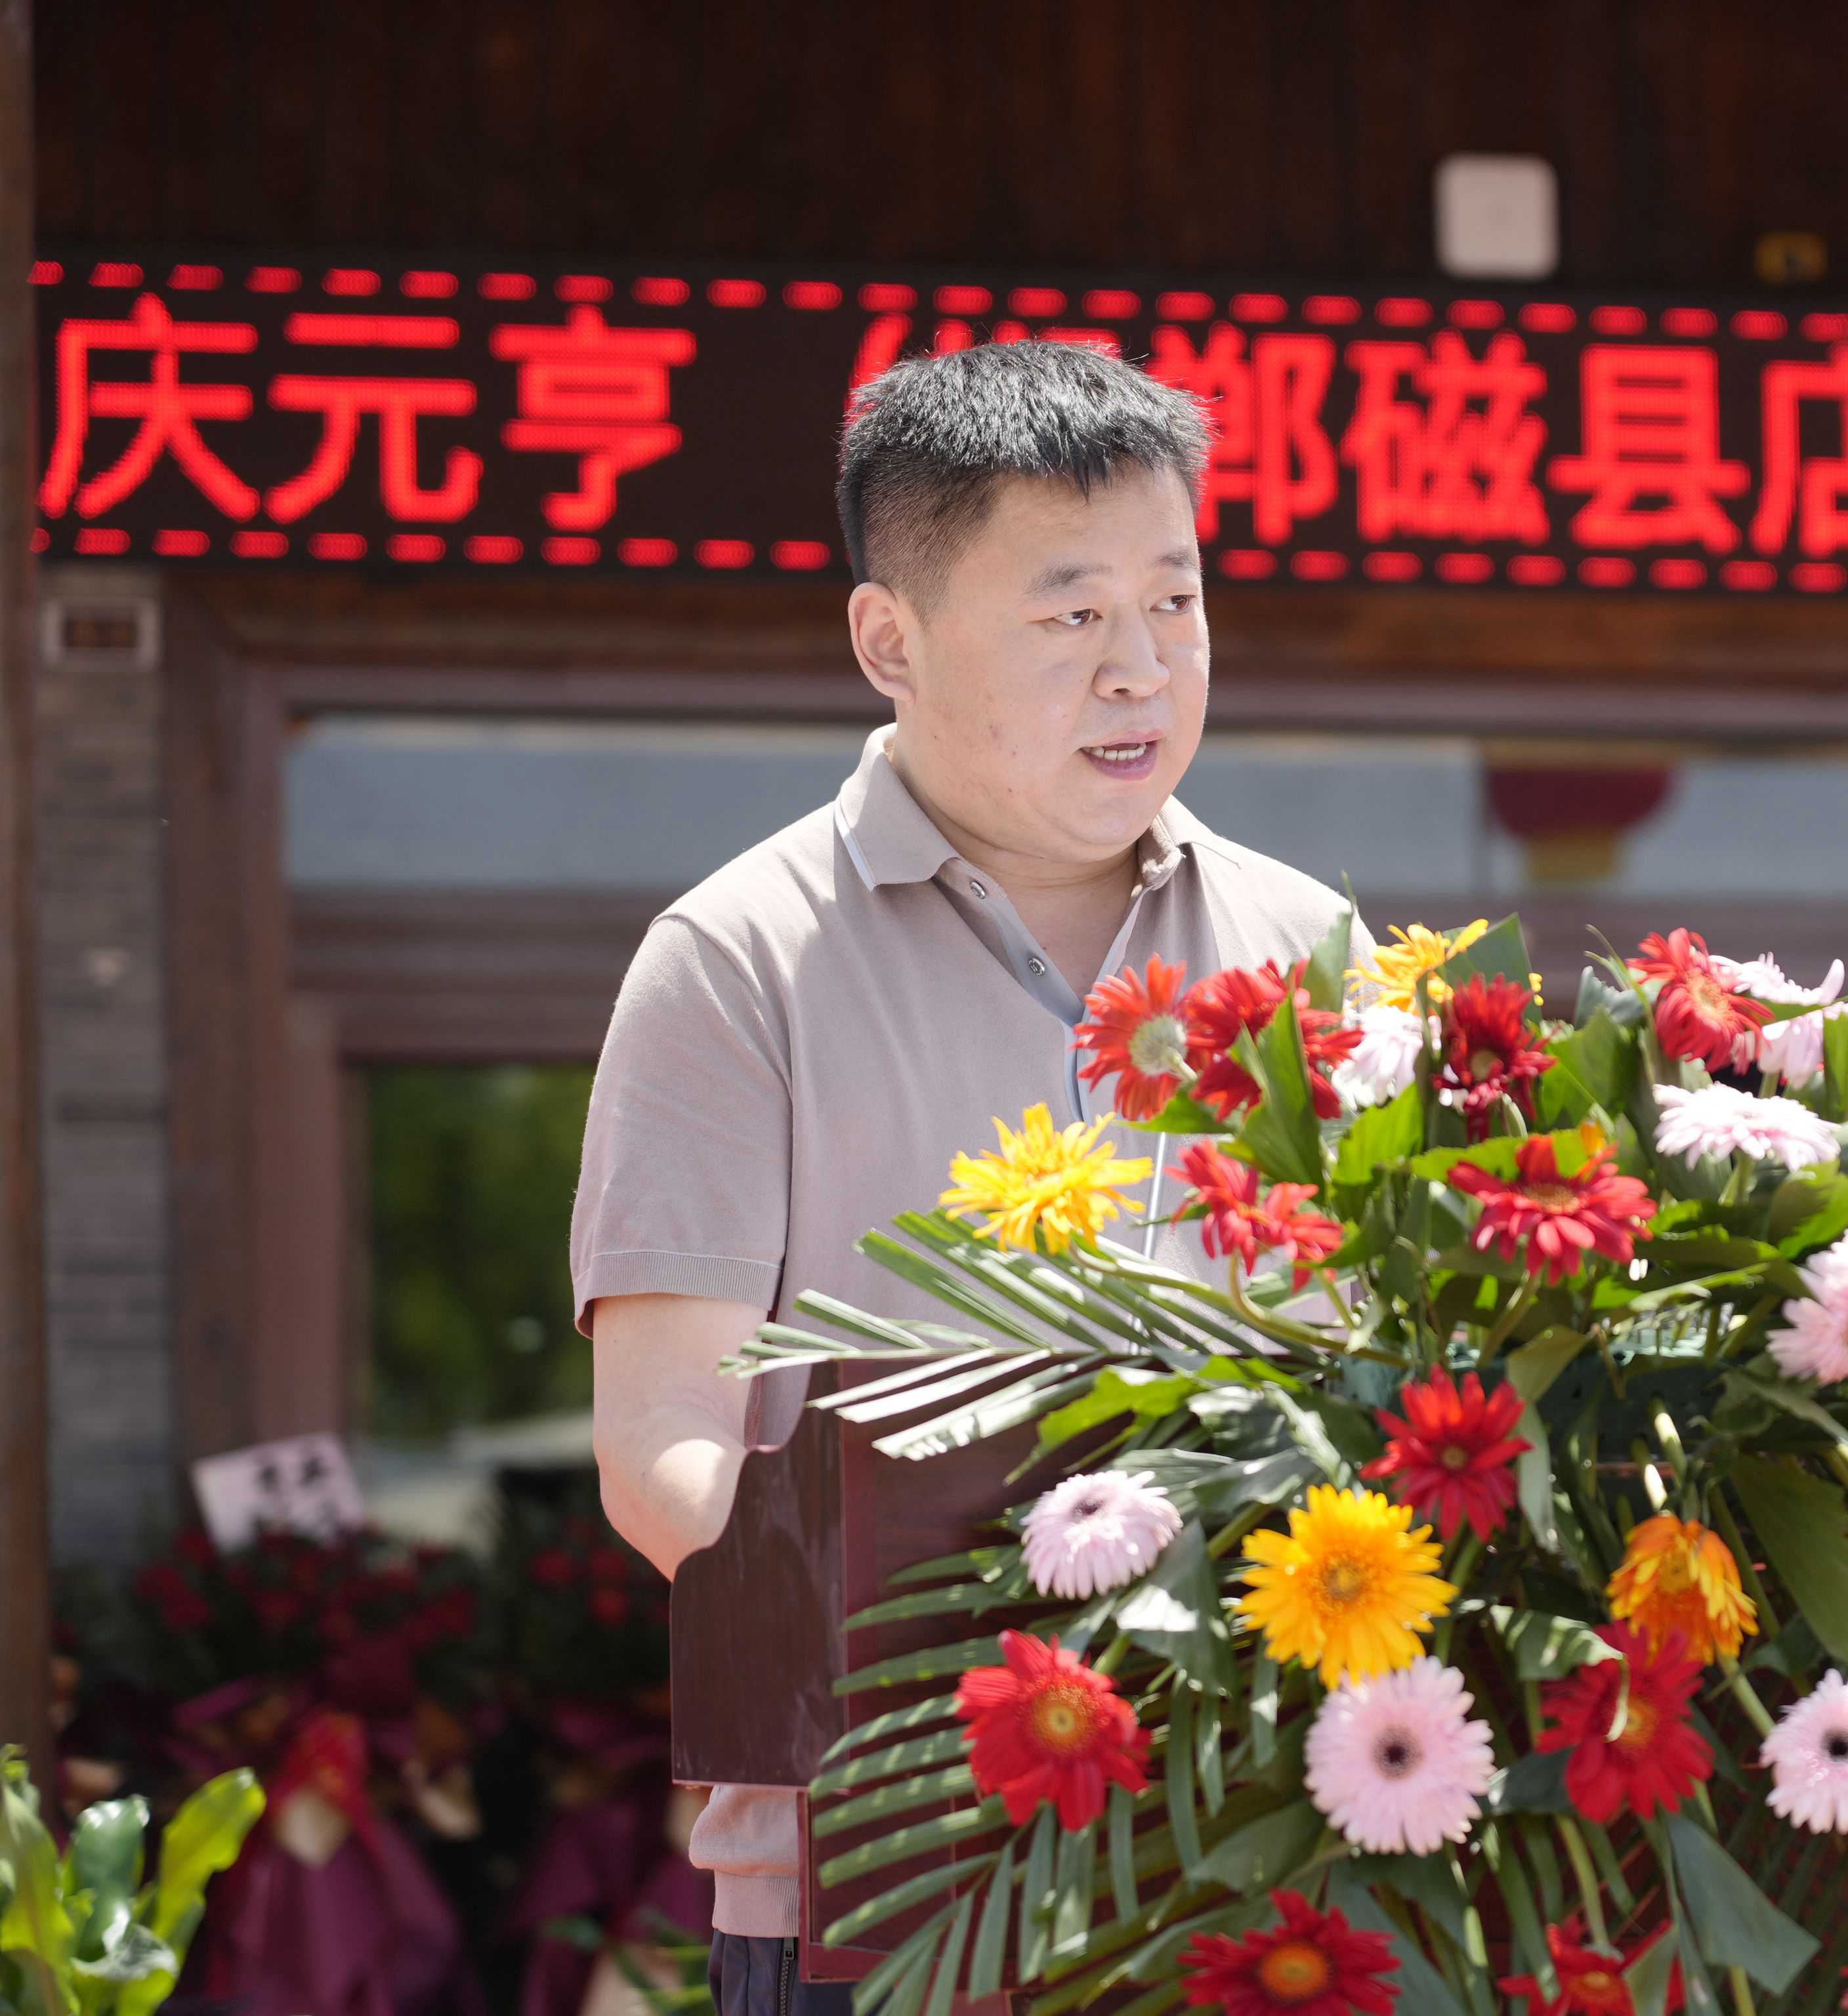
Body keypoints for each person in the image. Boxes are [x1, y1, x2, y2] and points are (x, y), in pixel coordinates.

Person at [576, 341, 1362, 2016]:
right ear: (892, 641)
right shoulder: (736, 962)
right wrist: (988, 1650)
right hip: (889, 1883)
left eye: (1175, 603)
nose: (1142, 669)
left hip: (1262, 1858)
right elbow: (662, 1455)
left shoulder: (1312, 950)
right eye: (1071, 618)